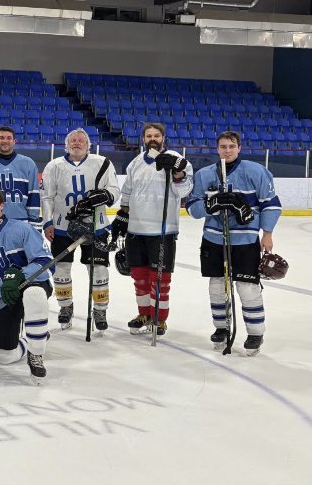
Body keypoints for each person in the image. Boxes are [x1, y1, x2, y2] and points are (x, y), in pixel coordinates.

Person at [187, 131, 279, 355]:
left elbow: (271, 204)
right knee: (217, 287)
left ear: (239, 147)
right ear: (216, 148)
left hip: (245, 240)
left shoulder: (256, 171)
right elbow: (192, 208)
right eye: (222, 146)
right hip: (213, 239)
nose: (227, 150)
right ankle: (221, 328)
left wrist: (267, 233)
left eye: (231, 146)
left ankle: (255, 333)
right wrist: (211, 205)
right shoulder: (204, 175)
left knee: (248, 288)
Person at [110, 122, 193, 336]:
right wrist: (122, 215)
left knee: (160, 279)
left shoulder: (177, 160)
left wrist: (177, 173)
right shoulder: (135, 163)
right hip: (136, 230)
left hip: (162, 230)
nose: (153, 138)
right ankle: (144, 313)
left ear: (163, 138)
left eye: (157, 135)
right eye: (149, 135)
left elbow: (184, 191)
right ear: (143, 139)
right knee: (139, 277)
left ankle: (160, 318)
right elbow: (127, 193)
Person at [0, 185, 53, 381]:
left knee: (34, 294)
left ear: (2, 205)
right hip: (2, 298)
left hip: (29, 287)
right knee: (3, 356)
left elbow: (46, 262)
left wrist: (21, 275)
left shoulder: (22, 229)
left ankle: (36, 352)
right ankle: (34, 338)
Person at [40, 128, 120, 331]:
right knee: (61, 269)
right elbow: (47, 197)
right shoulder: (54, 165)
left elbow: (114, 190)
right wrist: (47, 222)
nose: (77, 143)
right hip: (62, 228)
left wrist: (104, 196)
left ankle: (100, 309)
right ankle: (65, 307)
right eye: (73, 140)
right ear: (67, 144)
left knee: (99, 270)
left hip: (97, 225)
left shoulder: (102, 163)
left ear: (88, 145)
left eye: (81, 141)